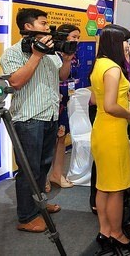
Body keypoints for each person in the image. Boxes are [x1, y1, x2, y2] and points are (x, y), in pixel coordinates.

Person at [0, 8, 73, 233]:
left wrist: (67, 59)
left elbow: (62, 76)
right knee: (28, 169)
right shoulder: (12, 53)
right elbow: (16, 82)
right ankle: (26, 216)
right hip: (28, 119)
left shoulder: (51, 52)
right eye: (43, 23)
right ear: (28, 26)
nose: (47, 27)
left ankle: (39, 203)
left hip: (49, 116)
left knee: (42, 167)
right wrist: (36, 55)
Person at [90, 24, 130, 250]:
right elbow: (111, 105)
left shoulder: (99, 65)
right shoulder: (113, 69)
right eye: (125, 42)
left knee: (103, 185)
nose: (127, 46)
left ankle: (104, 230)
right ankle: (116, 232)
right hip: (113, 131)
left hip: (101, 129)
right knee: (116, 188)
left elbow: (96, 100)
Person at [46, 23, 82, 192]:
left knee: (61, 138)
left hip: (66, 102)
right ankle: (42, 179)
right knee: (47, 142)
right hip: (51, 102)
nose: (76, 41)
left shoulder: (73, 55)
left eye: (78, 38)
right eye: (74, 37)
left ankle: (57, 174)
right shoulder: (51, 54)